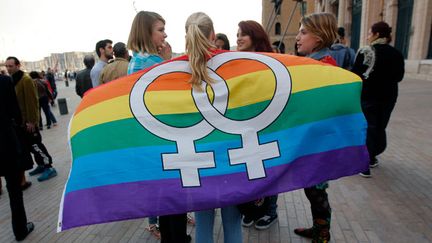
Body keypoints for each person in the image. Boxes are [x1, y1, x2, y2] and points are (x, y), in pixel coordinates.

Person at [182, 12, 242, 243]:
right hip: (232, 159)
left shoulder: (173, 71)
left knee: (203, 228)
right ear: (214, 35)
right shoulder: (234, 64)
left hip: (199, 161)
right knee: (233, 225)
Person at [293, 13, 338, 242]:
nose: (298, 37)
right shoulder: (315, 63)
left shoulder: (323, 66)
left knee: (316, 190)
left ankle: (323, 233)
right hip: (313, 140)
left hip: (317, 143)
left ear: (318, 38)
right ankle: (319, 228)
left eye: (303, 32)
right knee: (312, 189)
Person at [236, 20, 279, 231]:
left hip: (267, 124)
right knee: (252, 168)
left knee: (269, 169)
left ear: (255, 36)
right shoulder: (236, 62)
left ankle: (271, 211)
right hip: (247, 125)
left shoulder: (270, 62)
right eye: (237, 34)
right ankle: (252, 210)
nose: (238, 38)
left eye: (243, 34)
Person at [352, 21, 405, 178]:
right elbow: (399, 77)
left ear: (376, 34)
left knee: (369, 127)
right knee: (380, 126)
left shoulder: (366, 51)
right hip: (388, 97)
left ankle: (365, 164)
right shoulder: (396, 53)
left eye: (369, 33)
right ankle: (373, 155)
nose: (368, 36)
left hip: (369, 96)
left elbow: (356, 74)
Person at [6, 56, 58, 182]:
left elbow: (32, 102)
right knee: (30, 146)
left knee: (36, 144)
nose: (8, 69)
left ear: (18, 66)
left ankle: (49, 167)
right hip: (21, 122)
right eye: (7, 66)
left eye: (10, 66)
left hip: (28, 121)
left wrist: (32, 121)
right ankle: (41, 165)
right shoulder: (13, 79)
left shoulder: (25, 80)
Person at [0, 73, 35, 241]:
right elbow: (15, 111)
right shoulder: (4, 81)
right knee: (14, 189)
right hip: (5, 144)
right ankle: (20, 229)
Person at [127, 11, 171, 75]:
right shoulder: (149, 60)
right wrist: (167, 61)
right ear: (146, 34)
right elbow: (172, 79)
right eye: (161, 30)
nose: (165, 35)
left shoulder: (139, 58)